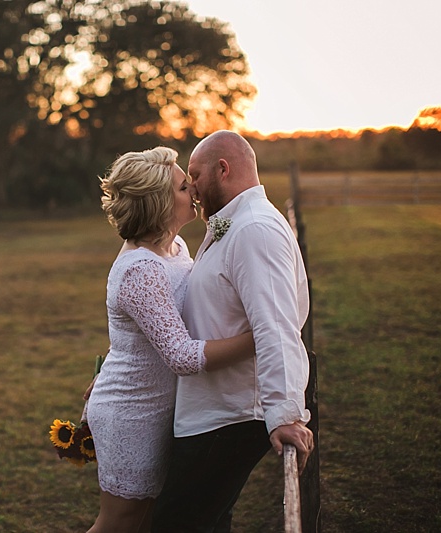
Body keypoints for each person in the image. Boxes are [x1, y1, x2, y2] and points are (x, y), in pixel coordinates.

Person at [85, 146, 257, 533]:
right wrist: (259, 337)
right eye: (184, 186)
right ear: (161, 204)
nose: (195, 189)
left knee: (147, 521)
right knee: (119, 523)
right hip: (132, 413)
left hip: (162, 408)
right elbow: (180, 355)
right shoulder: (141, 269)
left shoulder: (174, 247)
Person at [150, 131, 315, 533]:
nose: (191, 187)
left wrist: (285, 413)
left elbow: (276, 324)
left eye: (195, 174)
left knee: (175, 525)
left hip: (229, 416)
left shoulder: (255, 229)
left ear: (223, 169)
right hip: (210, 411)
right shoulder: (233, 224)